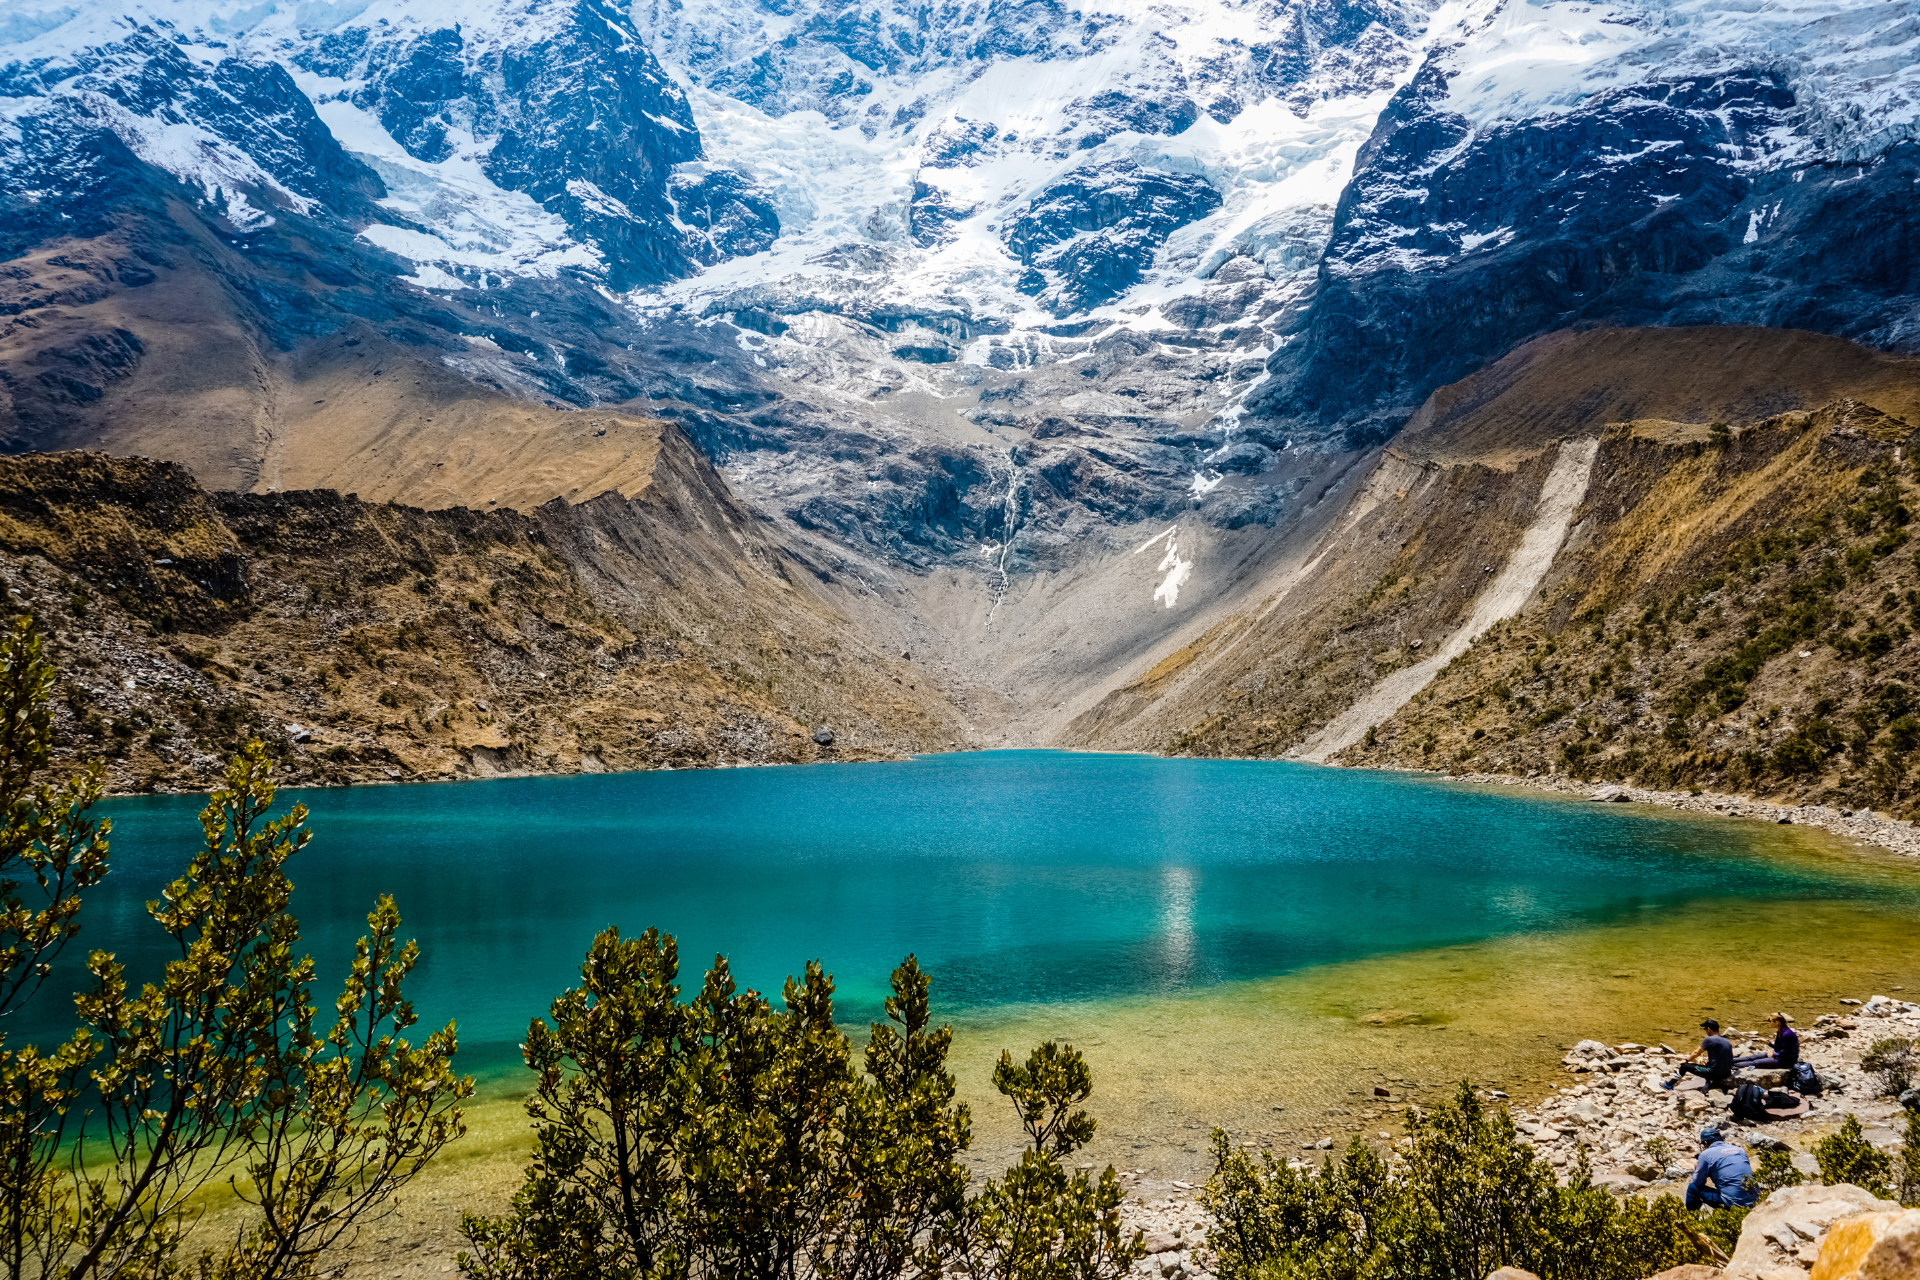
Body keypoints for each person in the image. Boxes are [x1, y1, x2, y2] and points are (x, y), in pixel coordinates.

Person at [1685, 1126, 1757, 1210]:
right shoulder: (1740, 1150)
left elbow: (1698, 1182)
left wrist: (1697, 1168)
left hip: (1733, 1204)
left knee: (1692, 1188)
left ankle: (1692, 1219)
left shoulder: (1705, 1155)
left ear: (1705, 1142)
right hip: (1754, 1201)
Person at [1664, 1019, 1735, 1090]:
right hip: (1727, 1073)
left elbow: (1697, 1053)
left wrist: (1686, 1060)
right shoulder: (1726, 1041)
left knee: (1685, 1066)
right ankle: (1708, 1085)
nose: (1705, 1031)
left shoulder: (1709, 1039)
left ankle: (1669, 1085)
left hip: (1715, 1073)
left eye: (1705, 1029)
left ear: (1709, 1029)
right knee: (1707, 1064)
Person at [1734, 1012, 1800, 1070]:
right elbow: (1777, 1048)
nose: (1769, 1023)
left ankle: (1731, 1066)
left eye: (1770, 1021)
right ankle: (1730, 1060)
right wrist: (1768, 1043)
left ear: (1777, 1022)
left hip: (1786, 1061)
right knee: (1754, 1057)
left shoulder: (1787, 1034)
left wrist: (1773, 1054)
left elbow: (1786, 1053)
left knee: (1756, 1062)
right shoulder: (1780, 1031)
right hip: (1780, 1056)